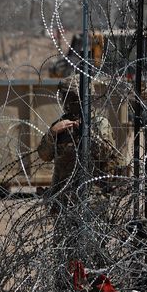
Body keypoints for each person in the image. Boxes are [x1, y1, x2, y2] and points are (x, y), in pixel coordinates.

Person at [37, 75, 122, 203]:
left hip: (92, 197)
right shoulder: (62, 124)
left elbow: (105, 155)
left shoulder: (99, 123)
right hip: (63, 197)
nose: (67, 102)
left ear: (83, 98)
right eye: (65, 97)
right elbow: (44, 155)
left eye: (72, 98)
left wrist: (87, 132)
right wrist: (52, 133)